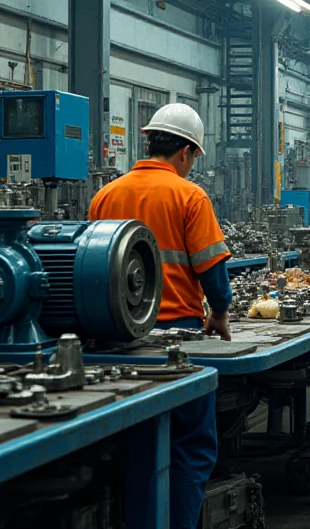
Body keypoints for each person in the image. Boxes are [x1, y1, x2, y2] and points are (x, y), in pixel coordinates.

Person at [89, 103, 231, 529]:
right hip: (178, 341)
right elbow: (212, 267)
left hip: (115, 340)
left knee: (133, 447)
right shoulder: (189, 196)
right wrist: (220, 314)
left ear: (149, 142)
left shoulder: (105, 195)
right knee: (190, 446)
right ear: (186, 152)